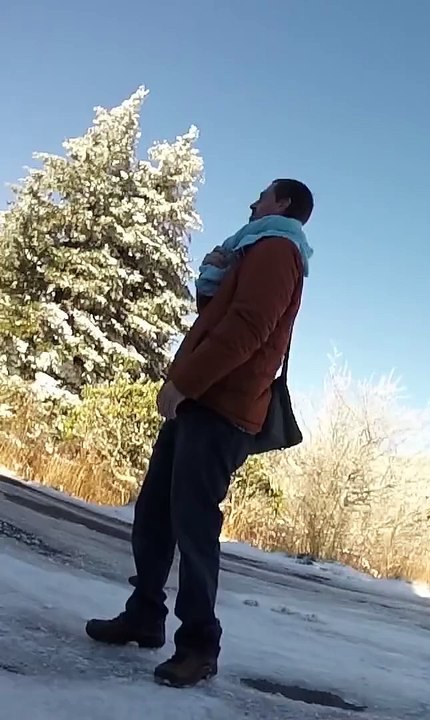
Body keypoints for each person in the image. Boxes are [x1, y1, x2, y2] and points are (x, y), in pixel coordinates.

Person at [85, 178, 315, 687]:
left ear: (283, 204)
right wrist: (213, 276)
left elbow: (248, 327)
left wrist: (185, 382)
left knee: (192, 525)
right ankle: (145, 616)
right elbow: (218, 320)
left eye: (262, 195)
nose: (252, 200)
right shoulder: (254, 251)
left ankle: (198, 646)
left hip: (220, 406)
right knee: (155, 513)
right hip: (204, 400)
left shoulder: (278, 249)